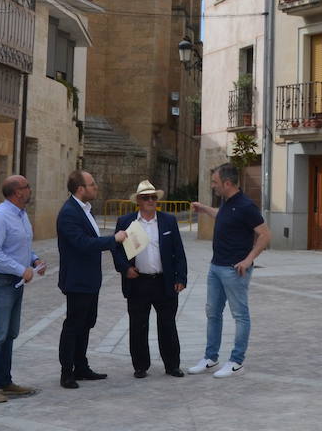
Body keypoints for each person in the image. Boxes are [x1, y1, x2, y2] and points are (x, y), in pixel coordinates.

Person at [188, 162, 270, 378]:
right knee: (212, 312)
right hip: (216, 267)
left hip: (235, 270)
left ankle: (236, 361)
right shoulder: (226, 202)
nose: (213, 186)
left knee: (240, 315)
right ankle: (210, 357)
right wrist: (204, 209)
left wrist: (248, 260)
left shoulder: (246, 206)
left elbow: (265, 235)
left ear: (227, 183)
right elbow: (223, 216)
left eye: (215, 182)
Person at [56, 169, 126, 389]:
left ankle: (81, 366)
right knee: (74, 325)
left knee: (86, 323)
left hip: (90, 279)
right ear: (80, 189)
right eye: (92, 184)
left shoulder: (86, 210)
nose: (96, 187)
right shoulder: (69, 213)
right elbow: (82, 243)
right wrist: (113, 240)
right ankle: (67, 372)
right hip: (77, 279)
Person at [0, 175, 45, 404]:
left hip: (14, 282)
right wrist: (20, 269)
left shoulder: (21, 215)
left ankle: (5, 381)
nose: (30, 189)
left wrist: (34, 261)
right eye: (27, 186)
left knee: (10, 334)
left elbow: (20, 245)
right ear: (18, 192)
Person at [111, 179, 187, 378]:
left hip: (164, 281)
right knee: (138, 325)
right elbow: (117, 251)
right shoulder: (126, 222)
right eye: (146, 198)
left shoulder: (168, 221)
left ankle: (172, 365)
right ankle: (140, 366)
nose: (151, 201)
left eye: (154, 197)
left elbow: (178, 252)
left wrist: (181, 277)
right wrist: (125, 269)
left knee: (168, 325)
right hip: (138, 282)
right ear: (138, 201)